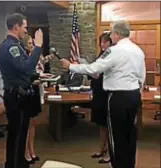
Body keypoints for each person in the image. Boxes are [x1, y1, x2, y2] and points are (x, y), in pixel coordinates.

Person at [60, 20, 146, 168]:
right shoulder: (138, 51)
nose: (110, 36)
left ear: (117, 34)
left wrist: (71, 66)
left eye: (112, 33)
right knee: (130, 134)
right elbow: (141, 77)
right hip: (134, 96)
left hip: (118, 98)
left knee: (116, 136)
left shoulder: (114, 51)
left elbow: (94, 69)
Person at [0, 13, 43, 168]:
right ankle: (14, 165)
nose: (26, 30)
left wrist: (37, 76)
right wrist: (37, 47)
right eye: (24, 26)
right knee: (16, 136)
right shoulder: (10, 47)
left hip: (21, 95)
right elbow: (25, 67)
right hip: (16, 96)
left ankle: (19, 163)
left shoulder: (16, 45)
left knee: (21, 135)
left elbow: (24, 72)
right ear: (16, 27)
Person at [20, 34, 54, 164]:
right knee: (27, 124)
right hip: (28, 91)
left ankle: (32, 150)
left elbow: (41, 64)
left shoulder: (35, 55)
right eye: (29, 44)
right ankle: (26, 152)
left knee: (33, 123)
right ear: (24, 46)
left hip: (36, 90)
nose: (32, 46)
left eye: (32, 43)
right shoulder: (25, 59)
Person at [90, 32, 112, 164]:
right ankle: (102, 149)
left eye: (105, 42)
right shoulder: (101, 55)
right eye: (101, 42)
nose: (102, 44)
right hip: (98, 94)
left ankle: (109, 153)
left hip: (107, 94)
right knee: (101, 124)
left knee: (108, 125)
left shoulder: (112, 56)